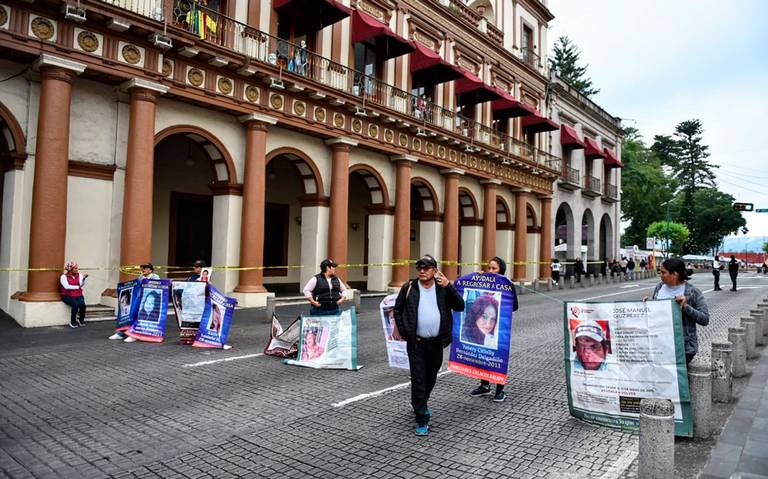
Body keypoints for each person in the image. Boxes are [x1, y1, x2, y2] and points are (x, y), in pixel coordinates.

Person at [393, 254, 464, 436]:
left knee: (431, 377)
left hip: (436, 343)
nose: (422, 271)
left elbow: (460, 306)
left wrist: (449, 286)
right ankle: (422, 417)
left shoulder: (442, 288)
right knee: (418, 380)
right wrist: (405, 330)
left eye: (426, 268)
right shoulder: (409, 287)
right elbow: (398, 309)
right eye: (419, 268)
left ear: (435, 270)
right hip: (416, 343)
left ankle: (420, 403)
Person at [468, 257, 518, 402]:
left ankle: (500, 390)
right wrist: (475, 277)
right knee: (483, 356)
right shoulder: (482, 283)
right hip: (484, 328)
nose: (490, 271)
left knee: (498, 357)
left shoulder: (507, 285)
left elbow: (514, 306)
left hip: (499, 328)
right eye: (489, 268)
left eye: (494, 268)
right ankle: (484, 386)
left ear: (500, 270)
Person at [650, 258, 709, 364]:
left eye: (663, 272)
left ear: (675, 274)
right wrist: (647, 306)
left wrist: (686, 307)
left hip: (683, 347)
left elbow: (705, 319)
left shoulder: (692, 292)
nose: (660, 275)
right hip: (659, 344)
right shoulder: (659, 287)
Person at [109, 262, 160, 341]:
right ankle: (121, 333)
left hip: (147, 301)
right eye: (142, 268)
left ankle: (134, 335)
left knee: (140, 318)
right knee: (131, 316)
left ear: (150, 270)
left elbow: (157, 287)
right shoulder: (140, 277)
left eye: (145, 268)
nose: (143, 270)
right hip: (138, 300)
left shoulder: (155, 277)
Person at [60, 262, 88, 328]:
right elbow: (66, 286)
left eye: (77, 268)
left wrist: (83, 279)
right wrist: (77, 287)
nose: (77, 269)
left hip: (78, 294)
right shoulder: (63, 277)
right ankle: (73, 322)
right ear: (70, 269)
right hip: (67, 295)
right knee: (75, 305)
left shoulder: (79, 275)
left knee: (83, 305)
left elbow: (81, 284)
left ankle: (81, 320)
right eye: (75, 268)